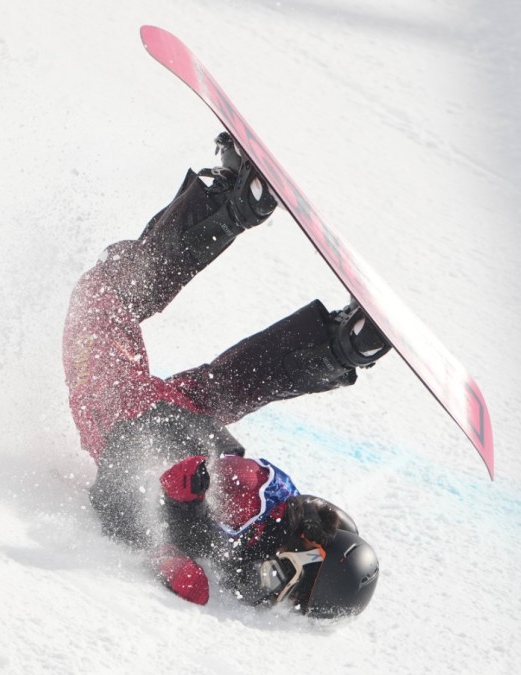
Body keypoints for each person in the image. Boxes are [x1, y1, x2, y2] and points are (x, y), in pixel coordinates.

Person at [62, 133, 386, 618]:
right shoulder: (260, 514)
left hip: (152, 421)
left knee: (212, 380)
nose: (267, 591)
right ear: (304, 551)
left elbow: (138, 502)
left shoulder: (268, 519)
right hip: (128, 414)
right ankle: (233, 208)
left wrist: (171, 544)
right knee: (102, 297)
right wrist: (179, 516)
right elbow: (149, 496)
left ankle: (342, 343)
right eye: (283, 583)